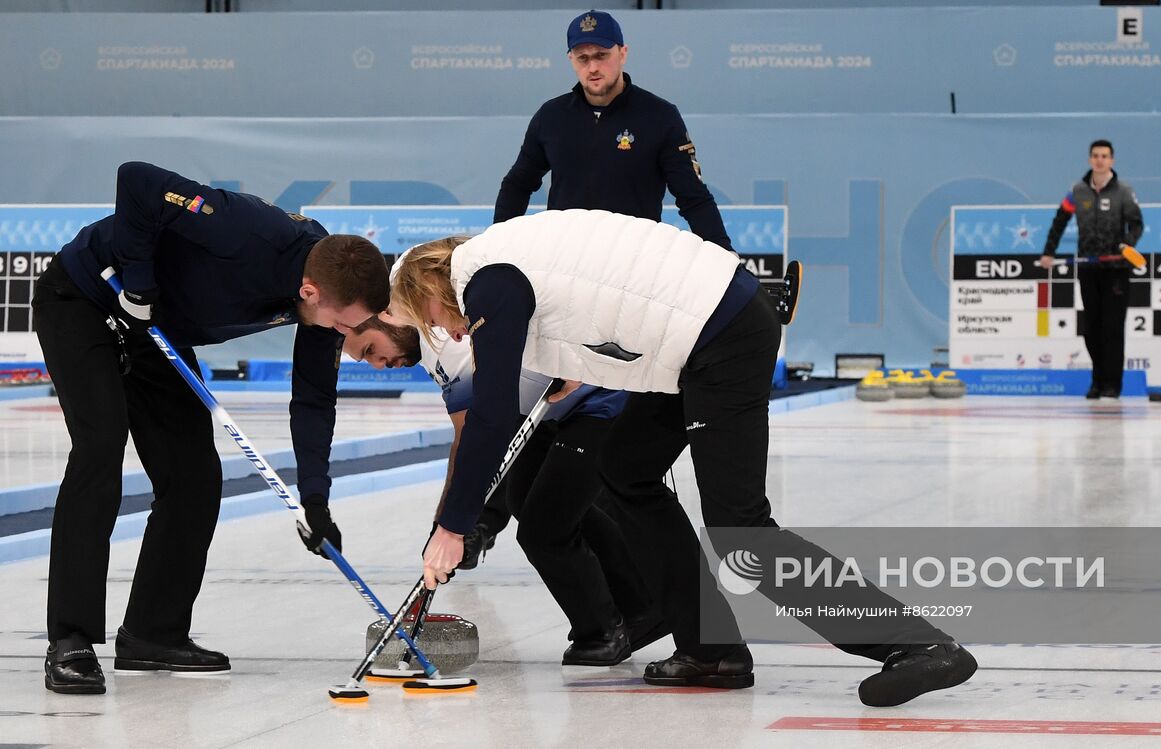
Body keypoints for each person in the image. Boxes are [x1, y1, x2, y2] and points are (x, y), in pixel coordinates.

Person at [392, 209, 977, 708]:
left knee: (739, 527)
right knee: (625, 468)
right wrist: (575, 360)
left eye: (432, 321)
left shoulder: (484, 278)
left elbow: (492, 415)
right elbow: (593, 294)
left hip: (721, 334)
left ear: (430, 291)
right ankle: (710, 649)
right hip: (696, 335)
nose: (448, 332)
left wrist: (454, 526)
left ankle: (916, 644)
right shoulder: (501, 261)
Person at [33, 162, 390, 695]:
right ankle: (71, 640)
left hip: (157, 329)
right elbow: (138, 181)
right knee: (100, 450)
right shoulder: (245, 229)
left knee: (195, 475)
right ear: (312, 290)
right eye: (344, 323)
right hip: (86, 299)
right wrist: (138, 282)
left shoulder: (325, 300)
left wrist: (315, 499)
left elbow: (313, 400)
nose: (346, 334)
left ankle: (153, 632)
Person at [342, 299, 666, 665]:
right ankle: (641, 608)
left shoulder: (449, 341)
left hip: (596, 400)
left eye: (371, 350)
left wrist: (447, 528)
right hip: (553, 407)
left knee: (544, 525)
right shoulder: (429, 341)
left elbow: (471, 440)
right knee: (527, 501)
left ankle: (605, 630)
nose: (379, 365)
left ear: (387, 317)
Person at [493, 10, 732, 251]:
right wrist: (498, 248)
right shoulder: (551, 116)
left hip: (634, 262)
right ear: (571, 59)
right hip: (565, 261)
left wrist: (724, 255)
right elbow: (517, 185)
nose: (593, 67)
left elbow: (693, 198)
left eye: (602, 55)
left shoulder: (660, 116)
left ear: (623, 53)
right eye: (582, 58)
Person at [1037, 140, 1145, 399]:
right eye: (1095, 156)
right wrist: (1049, 252)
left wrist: (1125, 247)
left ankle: (1112, 385)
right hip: (1088, 267)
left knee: (1113, 328)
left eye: (1105, 156)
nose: (1100, 160)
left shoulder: (1124, 191)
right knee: (1092, 328)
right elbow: (1059, 220)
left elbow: (1137, 224)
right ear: (1089, 160)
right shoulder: (1077, 191)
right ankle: (1096, 381)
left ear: (1112, 161)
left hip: (1116, 269)